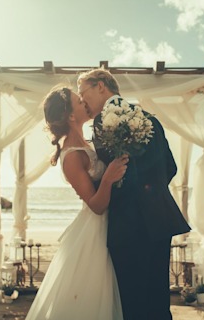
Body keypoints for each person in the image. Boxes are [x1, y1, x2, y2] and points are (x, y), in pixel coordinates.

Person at [78, 69, 190, 320]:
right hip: (160, 219)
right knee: (158, 299)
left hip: (128, 225)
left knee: (133, 301)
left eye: (82, 92)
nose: (81, 99)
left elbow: (116, 172)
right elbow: (170, 167)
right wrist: (152, 194)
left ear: (101, 87)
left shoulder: (103, 120)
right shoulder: (150, 118)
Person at [26, 86, 127, 320]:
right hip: (95, 231)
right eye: (79, 101)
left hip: (110, 224)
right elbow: (96, 205)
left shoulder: (89, 141)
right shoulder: (71, 156)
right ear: (71, 115)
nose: (85, 103)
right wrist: (109, 178)